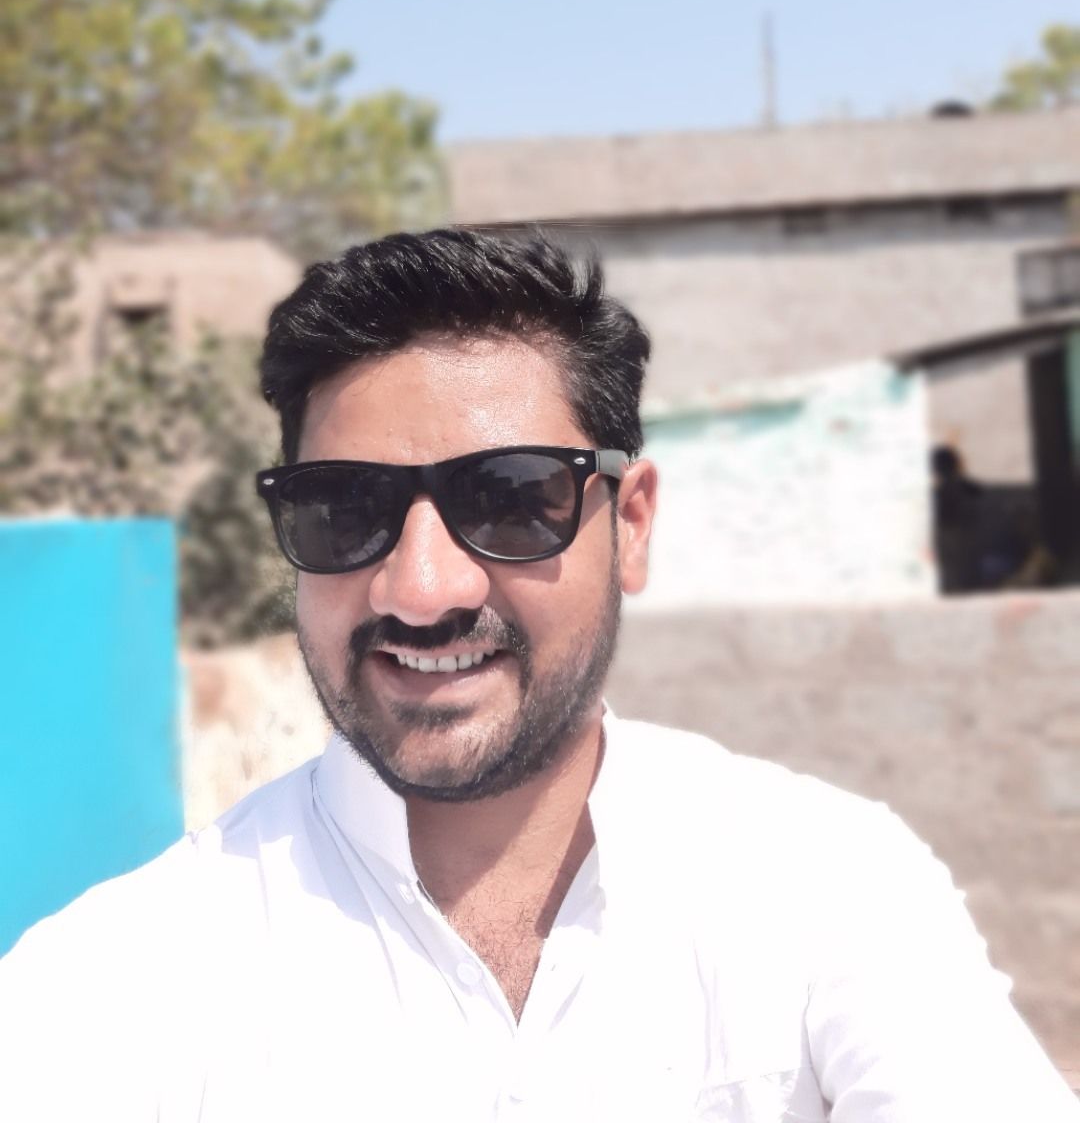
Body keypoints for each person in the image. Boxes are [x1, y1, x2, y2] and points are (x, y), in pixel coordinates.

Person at [1, 227, 1077, 1122]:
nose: (421, 588)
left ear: (632, 524)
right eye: (344, 508)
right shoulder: (120, 980)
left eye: (512, 498)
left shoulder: (824, 884)